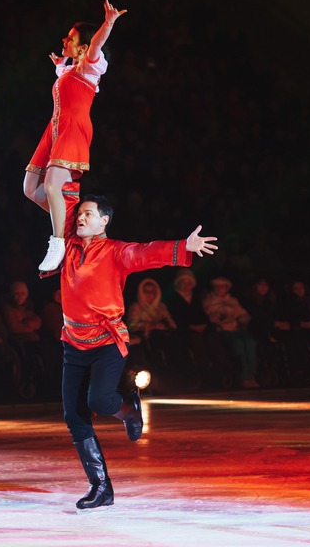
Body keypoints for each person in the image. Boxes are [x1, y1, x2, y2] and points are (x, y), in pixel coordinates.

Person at [51, 182, 216, 509]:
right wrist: (55, 178)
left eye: (88, 214)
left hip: (106, 340)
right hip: (72, 342)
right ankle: (101, 488)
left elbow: (146, 253)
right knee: (74, 415)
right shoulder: (66, 246)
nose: (81, 218)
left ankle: (128, 408)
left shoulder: (115, 251)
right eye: (79, 214)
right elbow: (52, 202)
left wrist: (184, 245)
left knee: (98, 398)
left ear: (104, 221)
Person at [23, 0, 127, 272]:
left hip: (73, 128)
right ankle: (71, 230)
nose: (64, 39)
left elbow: (95, 46)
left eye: (70, 38)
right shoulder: (71, 70)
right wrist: (61, 63)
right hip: (54, 130)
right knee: (30, 189)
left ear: (82, 48)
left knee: (52, 186)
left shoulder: (90, 67)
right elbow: (65, 76)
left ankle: (58, 242)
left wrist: (108, 23)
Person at [203, 277, 259, 389]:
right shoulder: (209, 300)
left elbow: (242, 314)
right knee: (238, 344)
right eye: (217, 287)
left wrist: (244, 319)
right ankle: (243, 376)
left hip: (236, 329)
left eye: (222, 287)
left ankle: (252, 374)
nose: (219, 289)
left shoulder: (233, 301)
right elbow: (211, 316)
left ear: (227, 288)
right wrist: (222, 317)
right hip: (222, 330)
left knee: (250, 342)